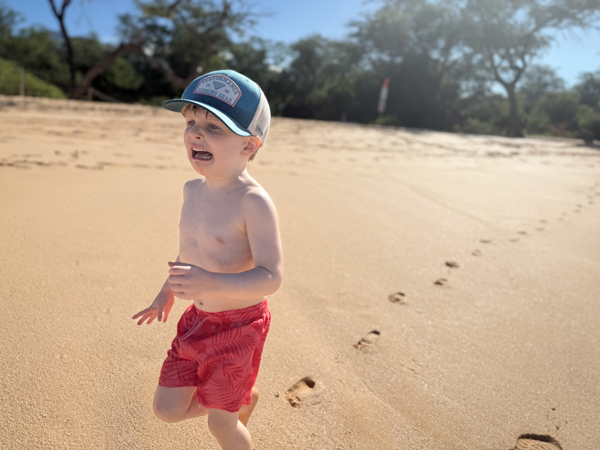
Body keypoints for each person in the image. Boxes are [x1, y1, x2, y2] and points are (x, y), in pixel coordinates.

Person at [132, 70, 283, 450]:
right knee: (167, 409)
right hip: (197, 320)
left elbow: (271, 276)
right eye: (191, 123)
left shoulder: (253, 202)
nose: (196, 134)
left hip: (240, 326)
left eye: (214, 127)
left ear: (249, 145)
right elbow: (189, 254)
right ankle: (240, 397)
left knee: (221, 425)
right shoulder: (191, 190)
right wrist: (165, 294)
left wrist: (212, 282)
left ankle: (230, 405)